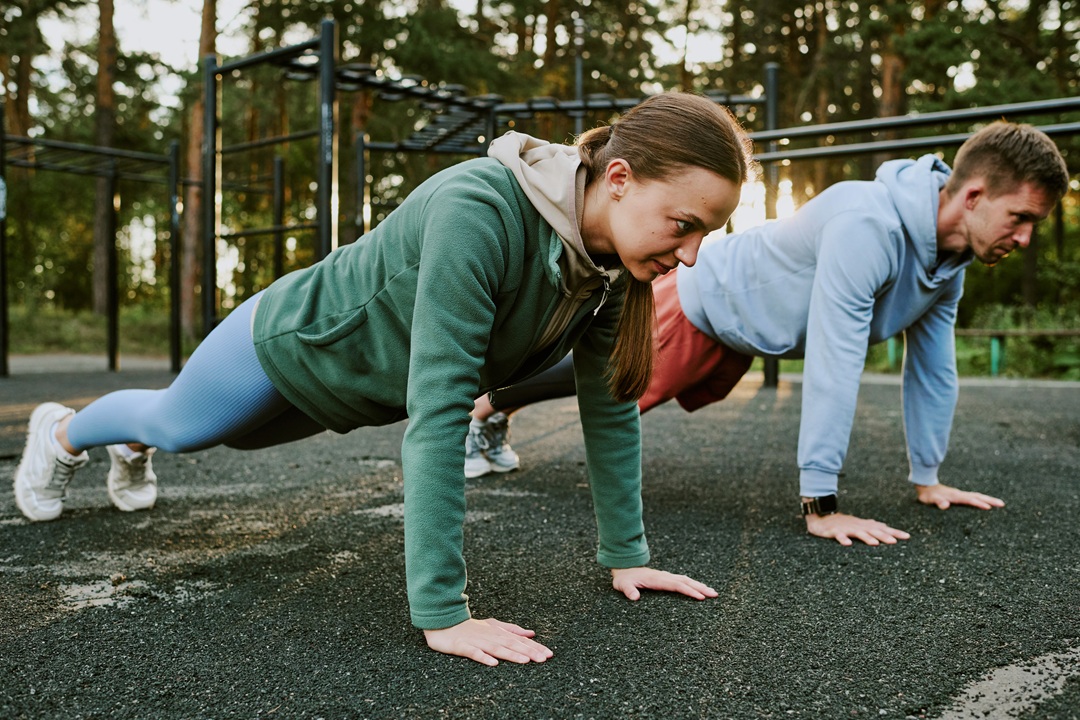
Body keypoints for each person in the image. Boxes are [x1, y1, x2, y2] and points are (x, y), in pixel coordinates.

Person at [12, 92, 754, 666]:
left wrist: (628, 555)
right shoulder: (481, 210)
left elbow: (611, 405)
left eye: (704, 236)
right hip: (296, 341)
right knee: (183, 426)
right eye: (681, 223)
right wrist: (445, 613)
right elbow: (440, 411)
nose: (688, 256)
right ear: (619, 179)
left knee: (229, 441)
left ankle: (130, 441)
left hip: (356, 388)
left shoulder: (609, 269)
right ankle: (65, 431)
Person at [466, 121, 1070, 546]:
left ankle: (492, 406)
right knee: (610, 384)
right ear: (973, 194)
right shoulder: (870, 225)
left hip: (747, 329)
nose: (1023, 238)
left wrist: (928, 477)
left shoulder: (947, 262)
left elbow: (934, 368)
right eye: (1020, 218)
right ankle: (486, 406)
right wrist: (821, 503)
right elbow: (837, 355)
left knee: (613, 383)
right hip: (706, 298)